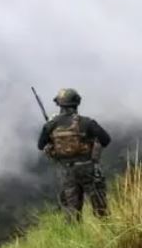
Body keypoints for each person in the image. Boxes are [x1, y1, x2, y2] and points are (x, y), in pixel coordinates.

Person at [37, 88, 111, 221]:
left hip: (66, 171)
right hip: (88, 168)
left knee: (71, 210)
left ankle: (75, 235)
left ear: (59, 104)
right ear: (77, 103)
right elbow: (106, 139)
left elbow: (41, 145)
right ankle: (108, 231)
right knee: (100, 206)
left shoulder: (51, 125)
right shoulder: (87, 122)